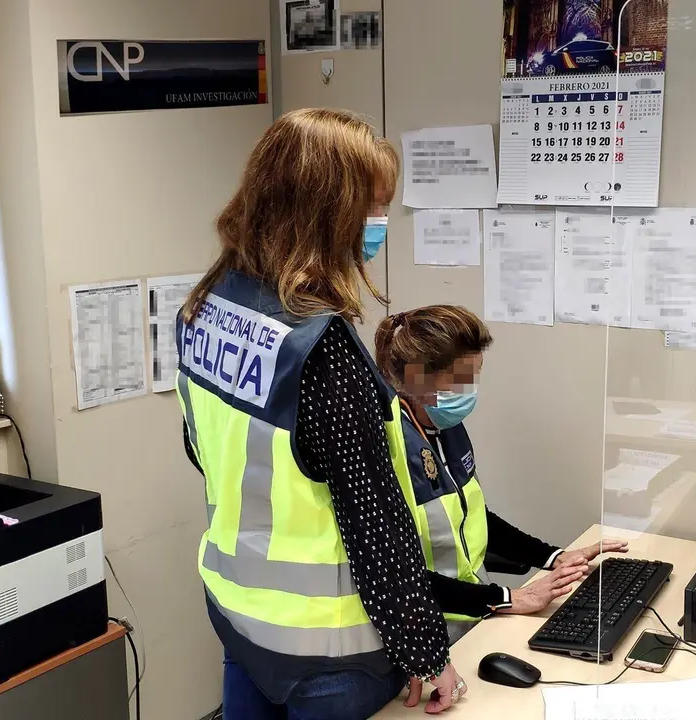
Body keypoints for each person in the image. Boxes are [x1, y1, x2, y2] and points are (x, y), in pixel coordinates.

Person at [175, 109, 466, 719]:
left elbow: (204, 451)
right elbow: (374, 522)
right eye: (373, 209)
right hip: (329, 651)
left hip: (238, 615)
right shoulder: (319, 346)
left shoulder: (209, 305)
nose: (380, 225)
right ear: (326, 215)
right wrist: (426, 652)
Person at [373, 305, 629, 654]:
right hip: (415, 633)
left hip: (466, 620)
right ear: (419, 378)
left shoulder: (443, 428)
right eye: (460, 379)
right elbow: (392, 574)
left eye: (474, 376)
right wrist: (508, 598)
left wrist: (554, 557)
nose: (469, 390)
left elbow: (474, 517)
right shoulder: (384, 447)